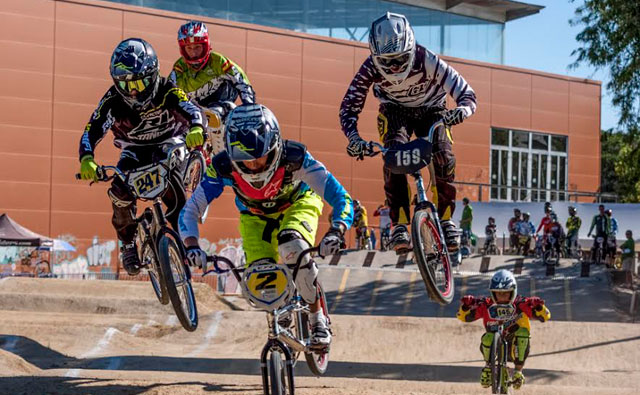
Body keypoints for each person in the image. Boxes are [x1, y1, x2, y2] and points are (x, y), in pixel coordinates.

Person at [178, 103, 353, 347]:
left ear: (274, 145)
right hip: (255, 215)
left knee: (292, 247)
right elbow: (189, 212)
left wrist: (338, 229)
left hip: (297, 203)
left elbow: (340, 196)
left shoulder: (296, 158)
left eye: (260, 157)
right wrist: (192, 246)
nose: (254, 166)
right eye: (245, 161)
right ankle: (281, 316)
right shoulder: (222, 167)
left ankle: (317, 319)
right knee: (260, 275)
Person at [339, 12, 477, 254]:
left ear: (411, 48)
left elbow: (467, 94)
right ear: (375, 56)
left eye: (401, 59)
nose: (394, 66)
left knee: (444, 155)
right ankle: (399, 224)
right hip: (395, 111)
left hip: (432, 109)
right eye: (387, 61)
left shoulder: (427, 59)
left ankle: (446, 219)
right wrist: (354, 138)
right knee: (392, 156)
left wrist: (462, 111)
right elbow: (349, 107)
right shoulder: (370, 67)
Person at [78, 38, 205, 275]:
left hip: (169, 142)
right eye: (125, 85)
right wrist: (87, 158)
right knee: (118, 192)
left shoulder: (168, 89)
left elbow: (191, 108)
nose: (133, 91)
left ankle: (184, 239)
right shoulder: (112, 101)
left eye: (139, 82)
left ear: (153, 74)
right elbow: (92, 129)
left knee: (176, 196)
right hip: (133, 149)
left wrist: (197, 127)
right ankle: (128, 244)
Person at [169, 21, 255, 154]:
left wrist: (249, 108)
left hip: (222, 107)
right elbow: (168, 92)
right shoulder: (179, 69)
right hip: (194, 110)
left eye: (197, 47)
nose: (194, 53)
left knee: (215, 116)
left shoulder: (219, 62)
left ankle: (220, 155)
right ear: (182, 49)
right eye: (189, 48)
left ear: (206, 45)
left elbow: (242, 81)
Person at [457, 270, 551, 390]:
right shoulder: (486, 304)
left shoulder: (521, 303)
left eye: (505, 293)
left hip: (516, 346)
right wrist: (466, 306)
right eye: (498, 293)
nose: (501, 297)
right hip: (493, 345)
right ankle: (488, 368)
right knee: (487, 337)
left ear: (513, 292)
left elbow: (545, 316)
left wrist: (538, 306)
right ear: (492, 293)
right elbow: (463, 317)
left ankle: (518, 371)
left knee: (523, 333)